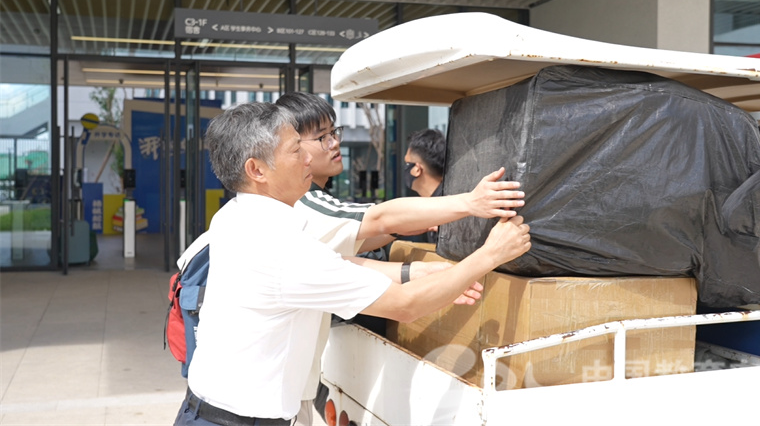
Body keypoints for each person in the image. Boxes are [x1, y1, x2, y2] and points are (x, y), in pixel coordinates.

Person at [173, 101, 530, 426]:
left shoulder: (235, 215)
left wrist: (413, 271)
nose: (309, 158)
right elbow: (404, 305)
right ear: (257, 169)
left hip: (205, 410)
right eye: (296, 149)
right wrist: (490, 254)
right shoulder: (284, 247)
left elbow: (330, 264)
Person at [275, 92, 526, 425]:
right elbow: (380, 225)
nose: (334, 143)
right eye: (320, 138)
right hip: (269, 403)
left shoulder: (254, 217)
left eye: (334, 133)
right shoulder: (305, 203)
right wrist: (472, 208)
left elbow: (346, 258)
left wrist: (412, 266)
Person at [403, 128, 446, 243]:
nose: (405, 169)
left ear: (417, 169)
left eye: (407, 164)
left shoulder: (443, 210)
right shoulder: (438, 202)